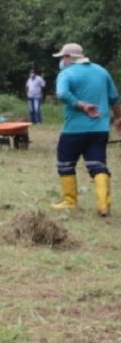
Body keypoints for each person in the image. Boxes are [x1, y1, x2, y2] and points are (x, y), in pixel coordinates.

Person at [51, 43, 121, 217]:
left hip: (73, 130)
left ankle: (70, 201)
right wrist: (119, 118)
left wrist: (81, 105)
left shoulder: (66, 73)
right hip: (100, 130)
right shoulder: (102, 71)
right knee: (97, 165)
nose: (61, 61)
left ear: (68, 58)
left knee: (65, 163)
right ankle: (103, 205)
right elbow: (114, 98)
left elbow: (62, 94)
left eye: (62, 58)